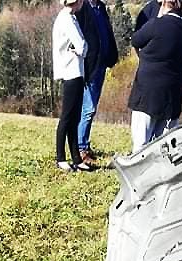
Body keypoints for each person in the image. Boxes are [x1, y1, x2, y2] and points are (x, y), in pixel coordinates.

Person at [127, 0, 182, 152]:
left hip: (149, 92)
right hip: (173, 93)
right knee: (164, 147)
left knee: (141, 145)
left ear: (164, 4)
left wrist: (145, 56)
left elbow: (136, 40)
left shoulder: (157, 24)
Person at [75, 0, 119, 166]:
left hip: (101, 64)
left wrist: (112, 56)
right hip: (90, 66)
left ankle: (83, 144)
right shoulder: (82, 8)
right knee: (89, 108)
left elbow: (106, 33)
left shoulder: (100, 7)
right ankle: (80, 148)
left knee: (90, 108)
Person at [52, 0, 91, 173]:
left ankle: (76, 158)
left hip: (74, 71)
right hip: (71, 71)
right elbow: (83, 46)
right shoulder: (67, 19)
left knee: (74, 118)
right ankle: (60, 158)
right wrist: (82, 49)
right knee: (68, 117)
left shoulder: (69, 17)